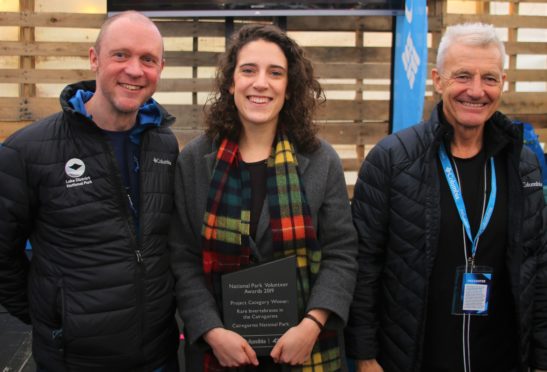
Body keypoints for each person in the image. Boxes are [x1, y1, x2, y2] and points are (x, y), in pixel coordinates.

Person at [345, 22, 547, 372]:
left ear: (503, 84)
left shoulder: (522, 164)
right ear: (438, 80)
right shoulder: (392, 160)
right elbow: (364, 265)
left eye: (490, 78)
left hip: (501, 359)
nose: (476, 90)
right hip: (413, 358)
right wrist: (364, 356)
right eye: (463, 76)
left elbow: (538, 267)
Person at [169, 24, 358, 371]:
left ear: (289, 87)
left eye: (275, 73)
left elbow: (341, 252)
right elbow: (182, 257)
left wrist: (313, 324)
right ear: (230, 82)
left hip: (304, 352)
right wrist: (211, 331)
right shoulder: (194, 160)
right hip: (220, 355)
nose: (261, 83)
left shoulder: (321, 160)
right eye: (248, 70)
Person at [0, 11, 180, 371]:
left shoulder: (165, 144)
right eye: (120, 55)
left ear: (160, 67)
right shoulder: (27, 151)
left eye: (147, 59)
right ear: (94, 58)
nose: (134, 70)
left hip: (158, 355)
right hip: (74, 360)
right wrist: (53, 320)